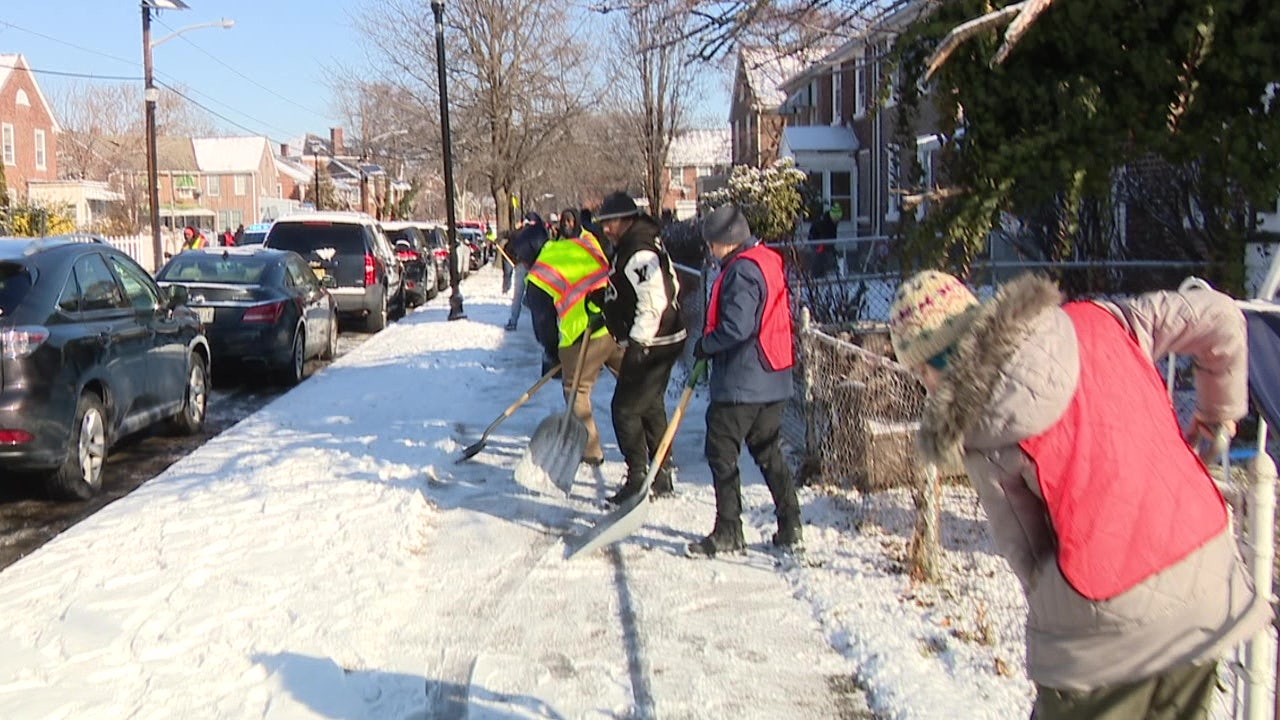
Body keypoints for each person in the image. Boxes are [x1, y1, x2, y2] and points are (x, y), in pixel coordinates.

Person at [886, 270, 1272, 720]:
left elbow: (1029, 558)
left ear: (941, 360)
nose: (924, 385)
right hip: (1206, 584)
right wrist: (1217, 414)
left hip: (1103, 632)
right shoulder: (1105, 319)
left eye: (920, 370)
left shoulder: (982, 429)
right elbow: (1220, 316)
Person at [687, 205, 802, 556]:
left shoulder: (742, 271)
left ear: (726, 241)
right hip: (774, 378)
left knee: (722, 452)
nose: (710, 250)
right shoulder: (766, 260)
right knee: (768, 452)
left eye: (713, 243)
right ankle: (791, 523)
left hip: (744, 382)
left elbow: (738, 326)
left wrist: (706, 344)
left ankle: (729, 530)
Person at [592, 191, 687, 503]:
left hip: (655, 341)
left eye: (611, 223)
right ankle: (661, 475)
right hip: (661, 338)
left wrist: (639, 345)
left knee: (625, 409)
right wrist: (607, 303)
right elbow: (630, 289)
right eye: (603, 223)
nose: (606, 229)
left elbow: (654, 300)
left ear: (628, 220)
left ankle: (638, 477)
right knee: (650, 405)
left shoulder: (640, 250)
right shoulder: (636, 242)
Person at [525, 208, 620, 465]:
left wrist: (551, 348)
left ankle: (591, 452)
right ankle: (655, 447)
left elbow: (541, 316)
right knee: (634, 386)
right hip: (616, 326)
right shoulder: (591, 242)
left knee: (575, 391)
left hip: (582, 335)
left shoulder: (549, 258)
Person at [505, 213, 548, 331]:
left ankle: (513, 321)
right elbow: (543, 248)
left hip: (520, 263)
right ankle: (538, 322)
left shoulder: (521, 232)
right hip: (535, 265)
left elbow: (511, 245)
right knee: (536, 293)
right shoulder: (540, 232)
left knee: (517, 293)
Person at [807, 205, 838, 277]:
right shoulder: (824, 222)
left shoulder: (833, 223)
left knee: (824, 257)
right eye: (836, 219)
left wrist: (832, 246)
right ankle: (815, 274)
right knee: (818, 257)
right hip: (816, 239)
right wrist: (822, 245)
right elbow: (823, 234)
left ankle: (821, 273)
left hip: (823, 240)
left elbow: (832, 236)